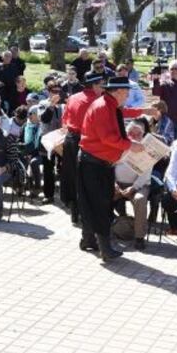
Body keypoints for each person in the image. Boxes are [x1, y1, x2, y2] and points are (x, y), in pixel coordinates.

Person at [77, 76, 144, 259]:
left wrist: (145, 110)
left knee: (94, 204)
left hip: (99, 163)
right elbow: (107, 138)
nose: (128, 95)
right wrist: (131, 146)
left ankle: (88, 240)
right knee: (99, 205)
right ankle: (105, 249)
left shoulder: (110, 104)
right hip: (93, 163)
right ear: (118, 92)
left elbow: (124, 113)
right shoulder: (102, 107)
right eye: (127, 92)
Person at [61, 71, 106, 223]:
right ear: (93, 85)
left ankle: (74, 212)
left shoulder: (73, 97)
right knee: (87, 179)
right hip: (87, 142)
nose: (103, 88)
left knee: (72, 176)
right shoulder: (98, 101)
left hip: (70, 140)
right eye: (101, 85)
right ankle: (87, 213)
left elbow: (65, 118)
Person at [114, 121, 152, 250]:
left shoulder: (147, 150)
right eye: (131, 133)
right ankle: (105, 230)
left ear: (143, 135)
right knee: (101, 194)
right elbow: (109, 167)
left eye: (138, 134)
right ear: (126, 133)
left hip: (139, 186)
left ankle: (139, 237)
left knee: (140, 200)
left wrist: (133, 187)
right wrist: (113, 184)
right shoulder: (118, 147)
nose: (135, 137)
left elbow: (145, 175)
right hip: (117, 184)